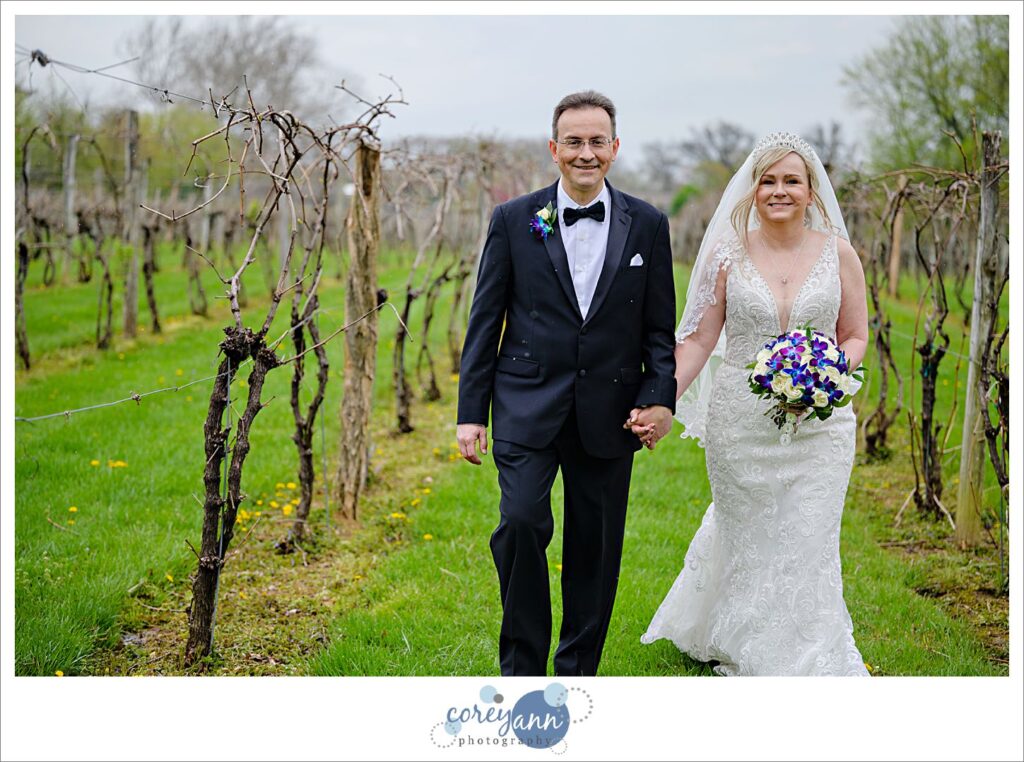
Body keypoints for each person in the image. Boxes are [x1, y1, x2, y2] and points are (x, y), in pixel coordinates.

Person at [456, 91, 677, 676]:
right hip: (526, 404)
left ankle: (577, 676)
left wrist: (658, 399)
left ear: (615, 148)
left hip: (610, 412)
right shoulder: (513, 219)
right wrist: (470, 413)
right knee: (522, 523)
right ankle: (523, 671)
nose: (586, 153)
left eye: (596, 141)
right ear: (554, 149)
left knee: (596, 551)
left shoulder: (648, 225)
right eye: (573, 142)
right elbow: (486, 319)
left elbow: (659, 329)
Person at [640, 132, 871, 676]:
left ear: (812, 191)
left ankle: (810, 648)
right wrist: (660, 400)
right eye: (768, 180)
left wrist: (828, 373)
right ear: (752, 188)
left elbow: (856, 334)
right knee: (751, 532)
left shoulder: (839, 253)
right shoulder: (727, 252)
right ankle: (743, 634)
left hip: (821, 424)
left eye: (792, 180)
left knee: (809, 534)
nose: (779, 190)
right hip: (741, 422)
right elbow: (697, 340)